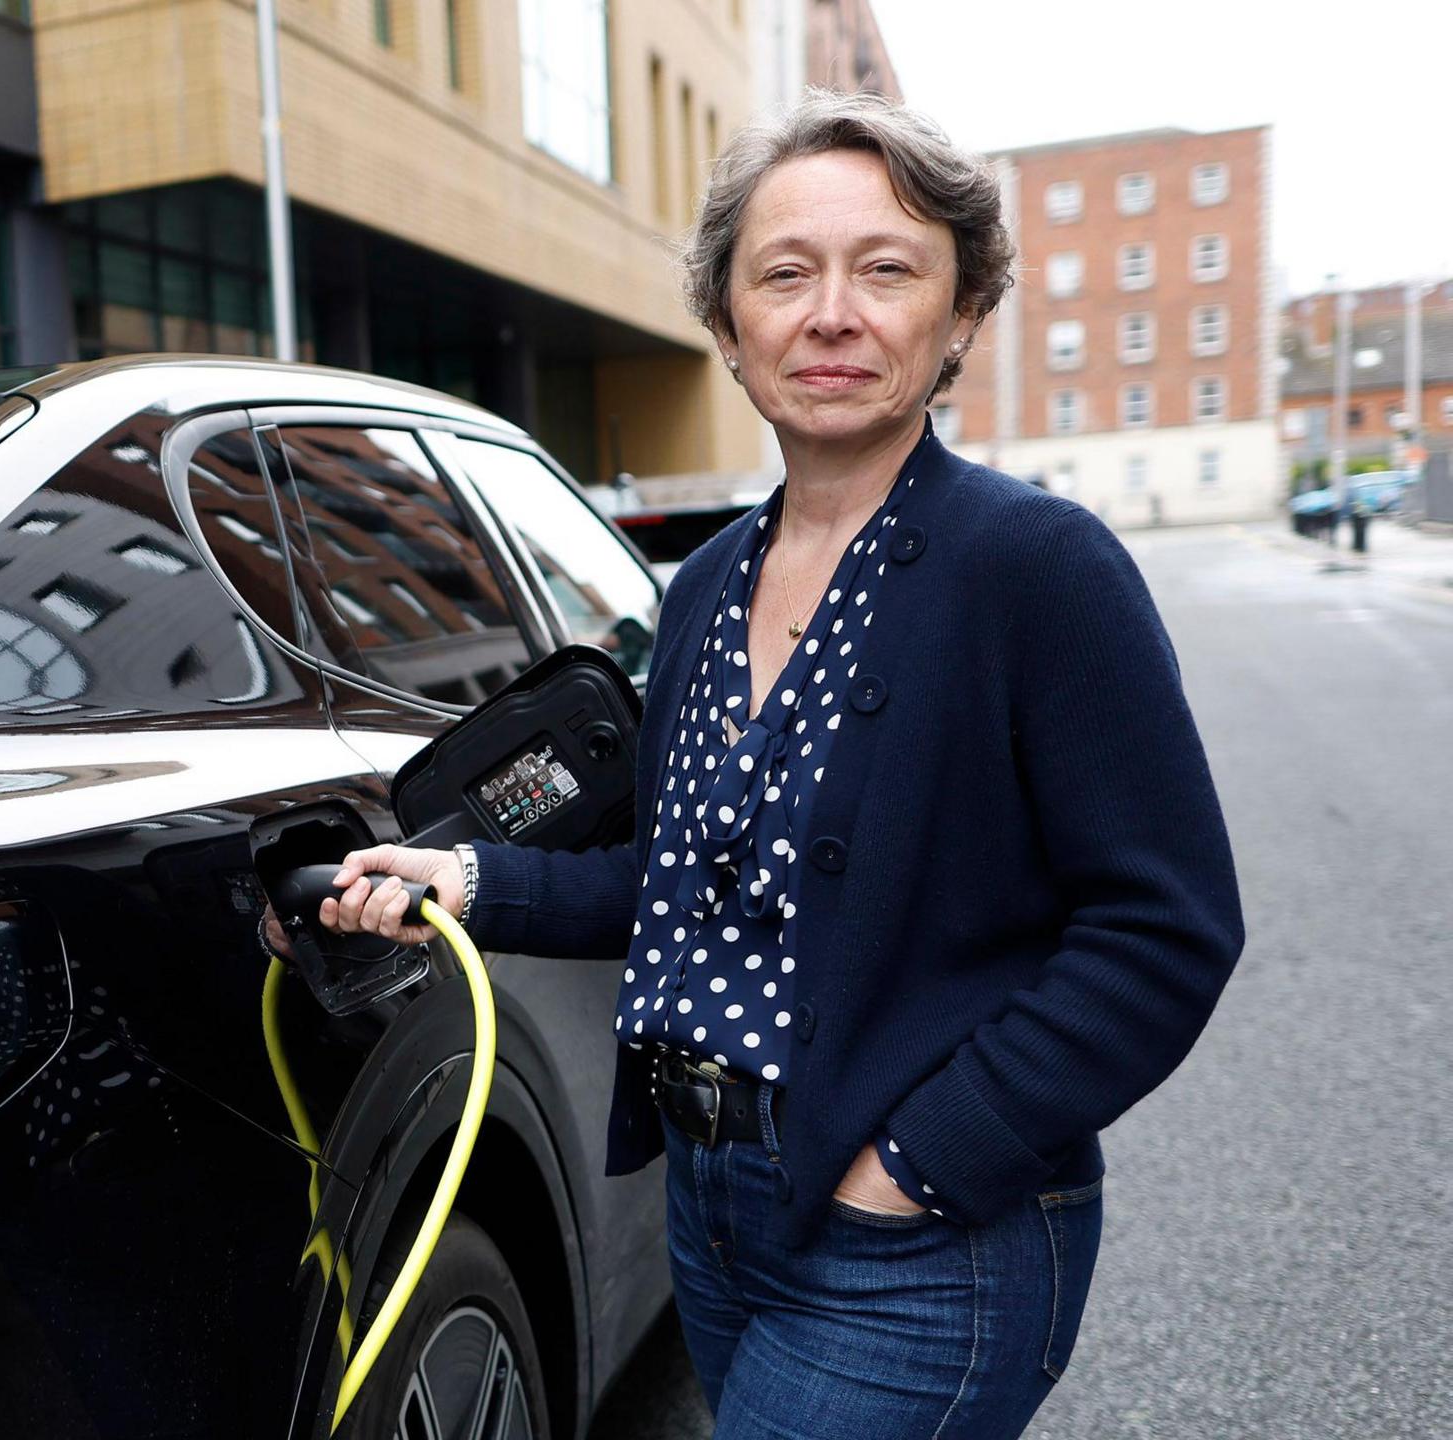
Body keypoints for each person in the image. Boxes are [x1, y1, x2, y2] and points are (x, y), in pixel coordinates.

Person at [265, 90, 1244, 1438]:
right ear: (729, 328)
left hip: (916, 1239)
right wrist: (468, 879)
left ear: (959, 314)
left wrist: (917, 1163)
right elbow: (679, 880)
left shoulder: (1035, 568)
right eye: (784, 274)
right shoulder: (712, 584)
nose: (830, 313)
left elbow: (1166, 929)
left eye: (886, 269)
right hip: (711, 1213)